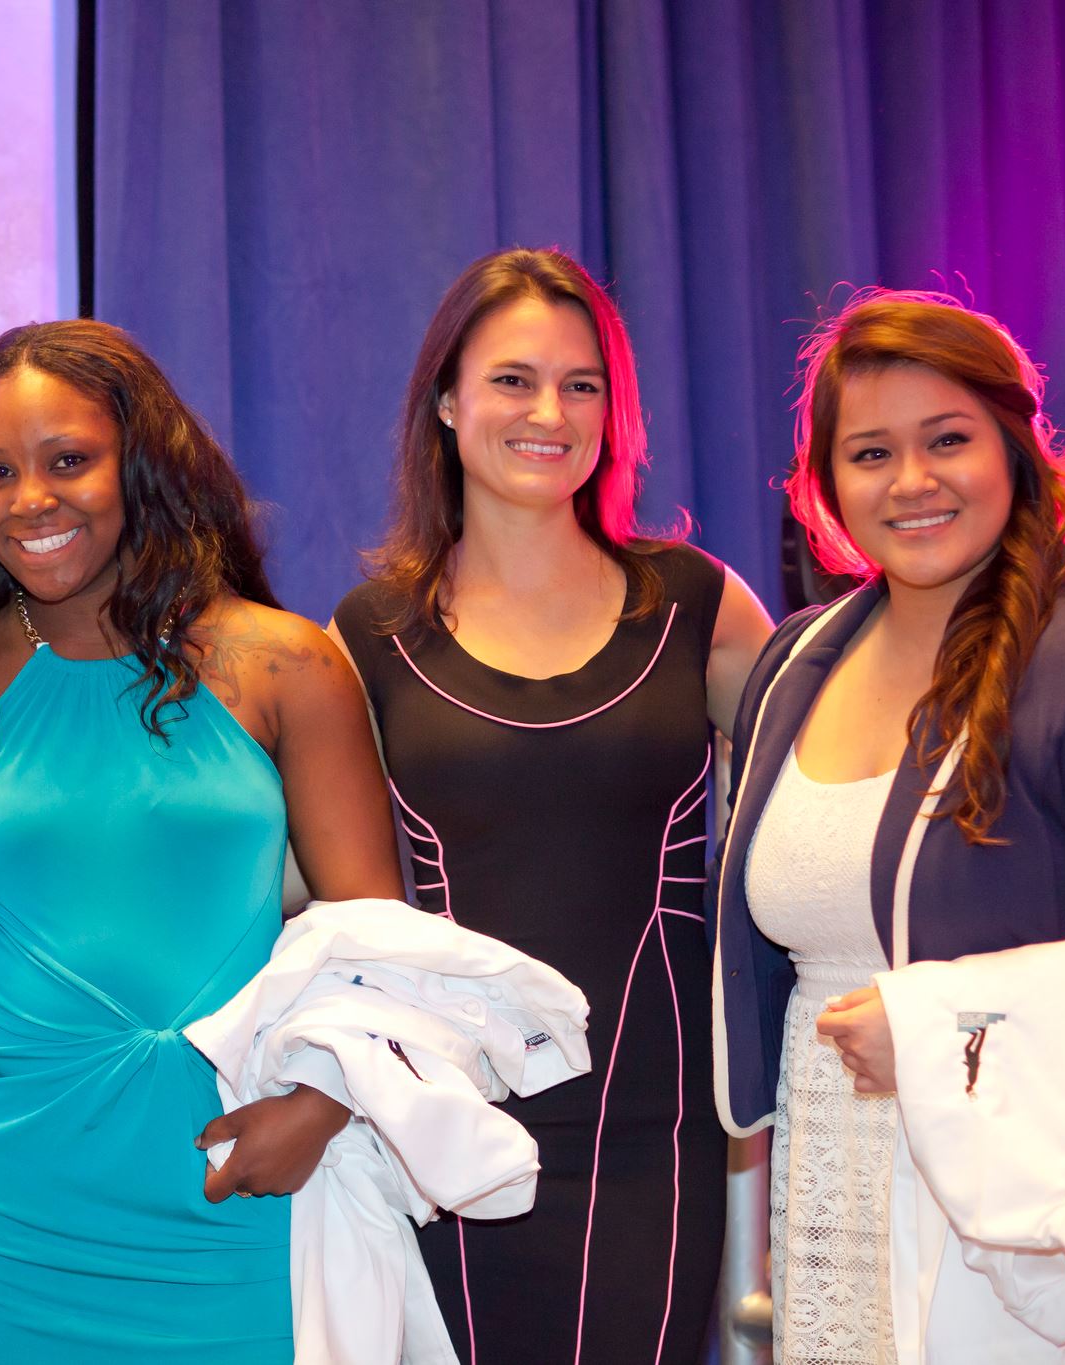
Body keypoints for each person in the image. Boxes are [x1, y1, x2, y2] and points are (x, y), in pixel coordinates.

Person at [0, 319, 405, 1361]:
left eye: (68, 461)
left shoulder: (281, 663)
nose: (29, 500)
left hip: (228, 1157)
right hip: (0, 1177)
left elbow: (375, 932)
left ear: (142, 463)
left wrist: (323, 1102)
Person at [329, 247, 774, 1364]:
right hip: (448, 1136)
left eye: (581, 385)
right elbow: (305, 893)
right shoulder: (368, 637)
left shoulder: (699, 607)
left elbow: (821, 819)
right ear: (446, 402)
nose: (548, 413)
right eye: (512, 380)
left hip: (655, 1138)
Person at [714, 290, 1065, 1362]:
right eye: (870, 453)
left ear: (1013, 450)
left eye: (947, 439)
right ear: (824, 487)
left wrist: (937, 1024)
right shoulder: (794, 661)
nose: (911, 481)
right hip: (836, 1167)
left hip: (1035, 1189)